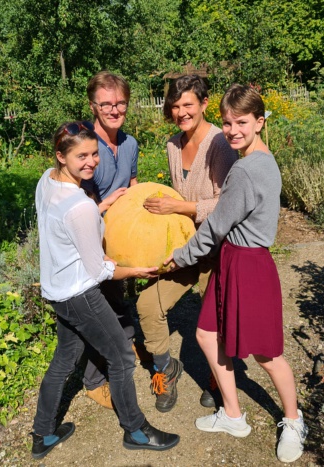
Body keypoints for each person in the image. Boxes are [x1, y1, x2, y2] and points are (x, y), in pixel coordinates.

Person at [164, 85, 308, 463]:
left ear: (260, 122)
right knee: (207, 334)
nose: (232, 130)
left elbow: (214, 227)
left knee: (267, 354)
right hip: (233, 259)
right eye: (227, 123)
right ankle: (232, 414)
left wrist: (181, 257)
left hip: (249, 264)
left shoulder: (246, 170)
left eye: (241, 122)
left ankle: (293, 420)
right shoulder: (261, 157)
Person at [31, 121, 179, 459]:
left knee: (65, 359)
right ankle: (137, 430)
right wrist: (139, 270)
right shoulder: (80, 205)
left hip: (57, 292)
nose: (91, 162)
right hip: (81, 294)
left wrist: (106, 202)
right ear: (61, 156)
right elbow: (100, 270)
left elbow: (64, 225)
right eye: (81, 156)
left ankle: (42, 434)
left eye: (94, 154)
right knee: (122, 357)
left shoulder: (47, 181)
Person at [140, 75, 238, 412]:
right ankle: (166, 368)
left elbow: (227, 204)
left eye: (188, 105)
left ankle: (217, 376)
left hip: (217, 247)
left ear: (204, 104)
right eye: (175, 106)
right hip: (185, 246)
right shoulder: (172, 144)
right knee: (148, 305)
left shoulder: (220, 144)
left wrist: (179, 207)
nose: (181, 112)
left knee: (219, 314)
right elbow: (178, 197)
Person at [79, 71, 141, 409]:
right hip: (89, 240)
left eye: (120, 103)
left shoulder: (130, 144)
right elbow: (72, 201)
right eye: (106, 104)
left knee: (117, 298)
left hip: (118, 237)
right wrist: (103, 207)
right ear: (93, 106)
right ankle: (93, 380)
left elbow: (132, 187)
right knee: (96, 311)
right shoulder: (84, 144)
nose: (114, 110)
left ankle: (126, 343)